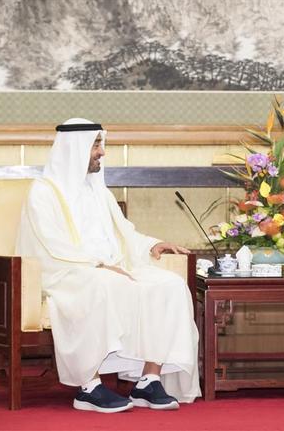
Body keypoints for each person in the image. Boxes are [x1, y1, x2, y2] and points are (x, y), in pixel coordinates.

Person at [16, 118, 201, 413]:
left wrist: (151, 244)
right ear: (74, 149)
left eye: (101, 144)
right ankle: (88, 388)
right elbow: (50, 244)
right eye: (96, 145)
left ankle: (149, 380)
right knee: (105, 284)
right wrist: (98, 265)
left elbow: (124, 231)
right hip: (65, 274)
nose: (102, 152)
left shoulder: (98, 191)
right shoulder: (44, 192)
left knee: (170, 285)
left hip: (110, 268)